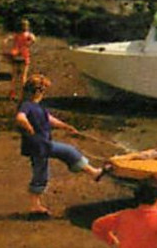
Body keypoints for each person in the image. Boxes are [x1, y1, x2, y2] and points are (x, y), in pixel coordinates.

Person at [15, 75, 106, 216]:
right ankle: (34, 205)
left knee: (59, 159)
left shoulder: (37, 106)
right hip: (38, 145)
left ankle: (93, 172)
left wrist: (66, 126)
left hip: (43, 144)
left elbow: (50, 119)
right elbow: (20, 118)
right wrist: (28, 127)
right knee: (46, 169)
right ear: (39, 91)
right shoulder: (27, 105)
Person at [6, 18, 36, 89]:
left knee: (14, 76)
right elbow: (33, 40)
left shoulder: (16, 35)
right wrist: (28, 44)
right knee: (23, 76)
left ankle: (12, 92)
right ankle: (23, 91)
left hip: (16, 55)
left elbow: (10, 38)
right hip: (24, 55)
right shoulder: (28, 35)